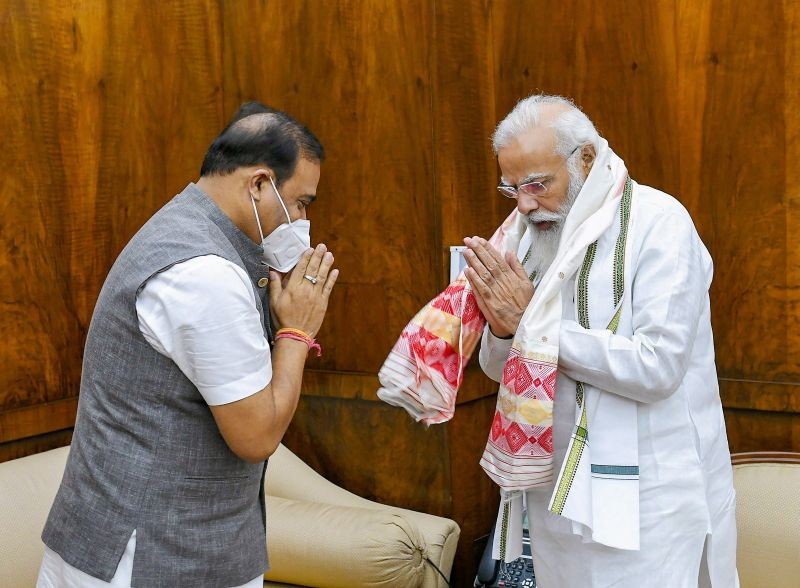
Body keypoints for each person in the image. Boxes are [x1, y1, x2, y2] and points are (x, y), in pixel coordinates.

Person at [38, 102, 338, 587]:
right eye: (301, 203)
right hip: (150, 556)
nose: (303, 222)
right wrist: (297, 332)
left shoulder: (188, 229)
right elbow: (256, 437)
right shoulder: (204, 273)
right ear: (259, 184)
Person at [463, 95, 738, 587]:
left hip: (651, 504)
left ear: (585, 159)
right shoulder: (528, 236)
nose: (525, 203)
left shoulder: (659, 223)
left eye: (537, 184)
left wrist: (533, 327)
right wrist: (507, 330)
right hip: (556, 494)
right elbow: (498, 366)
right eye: (512, 189)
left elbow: (656, 369)